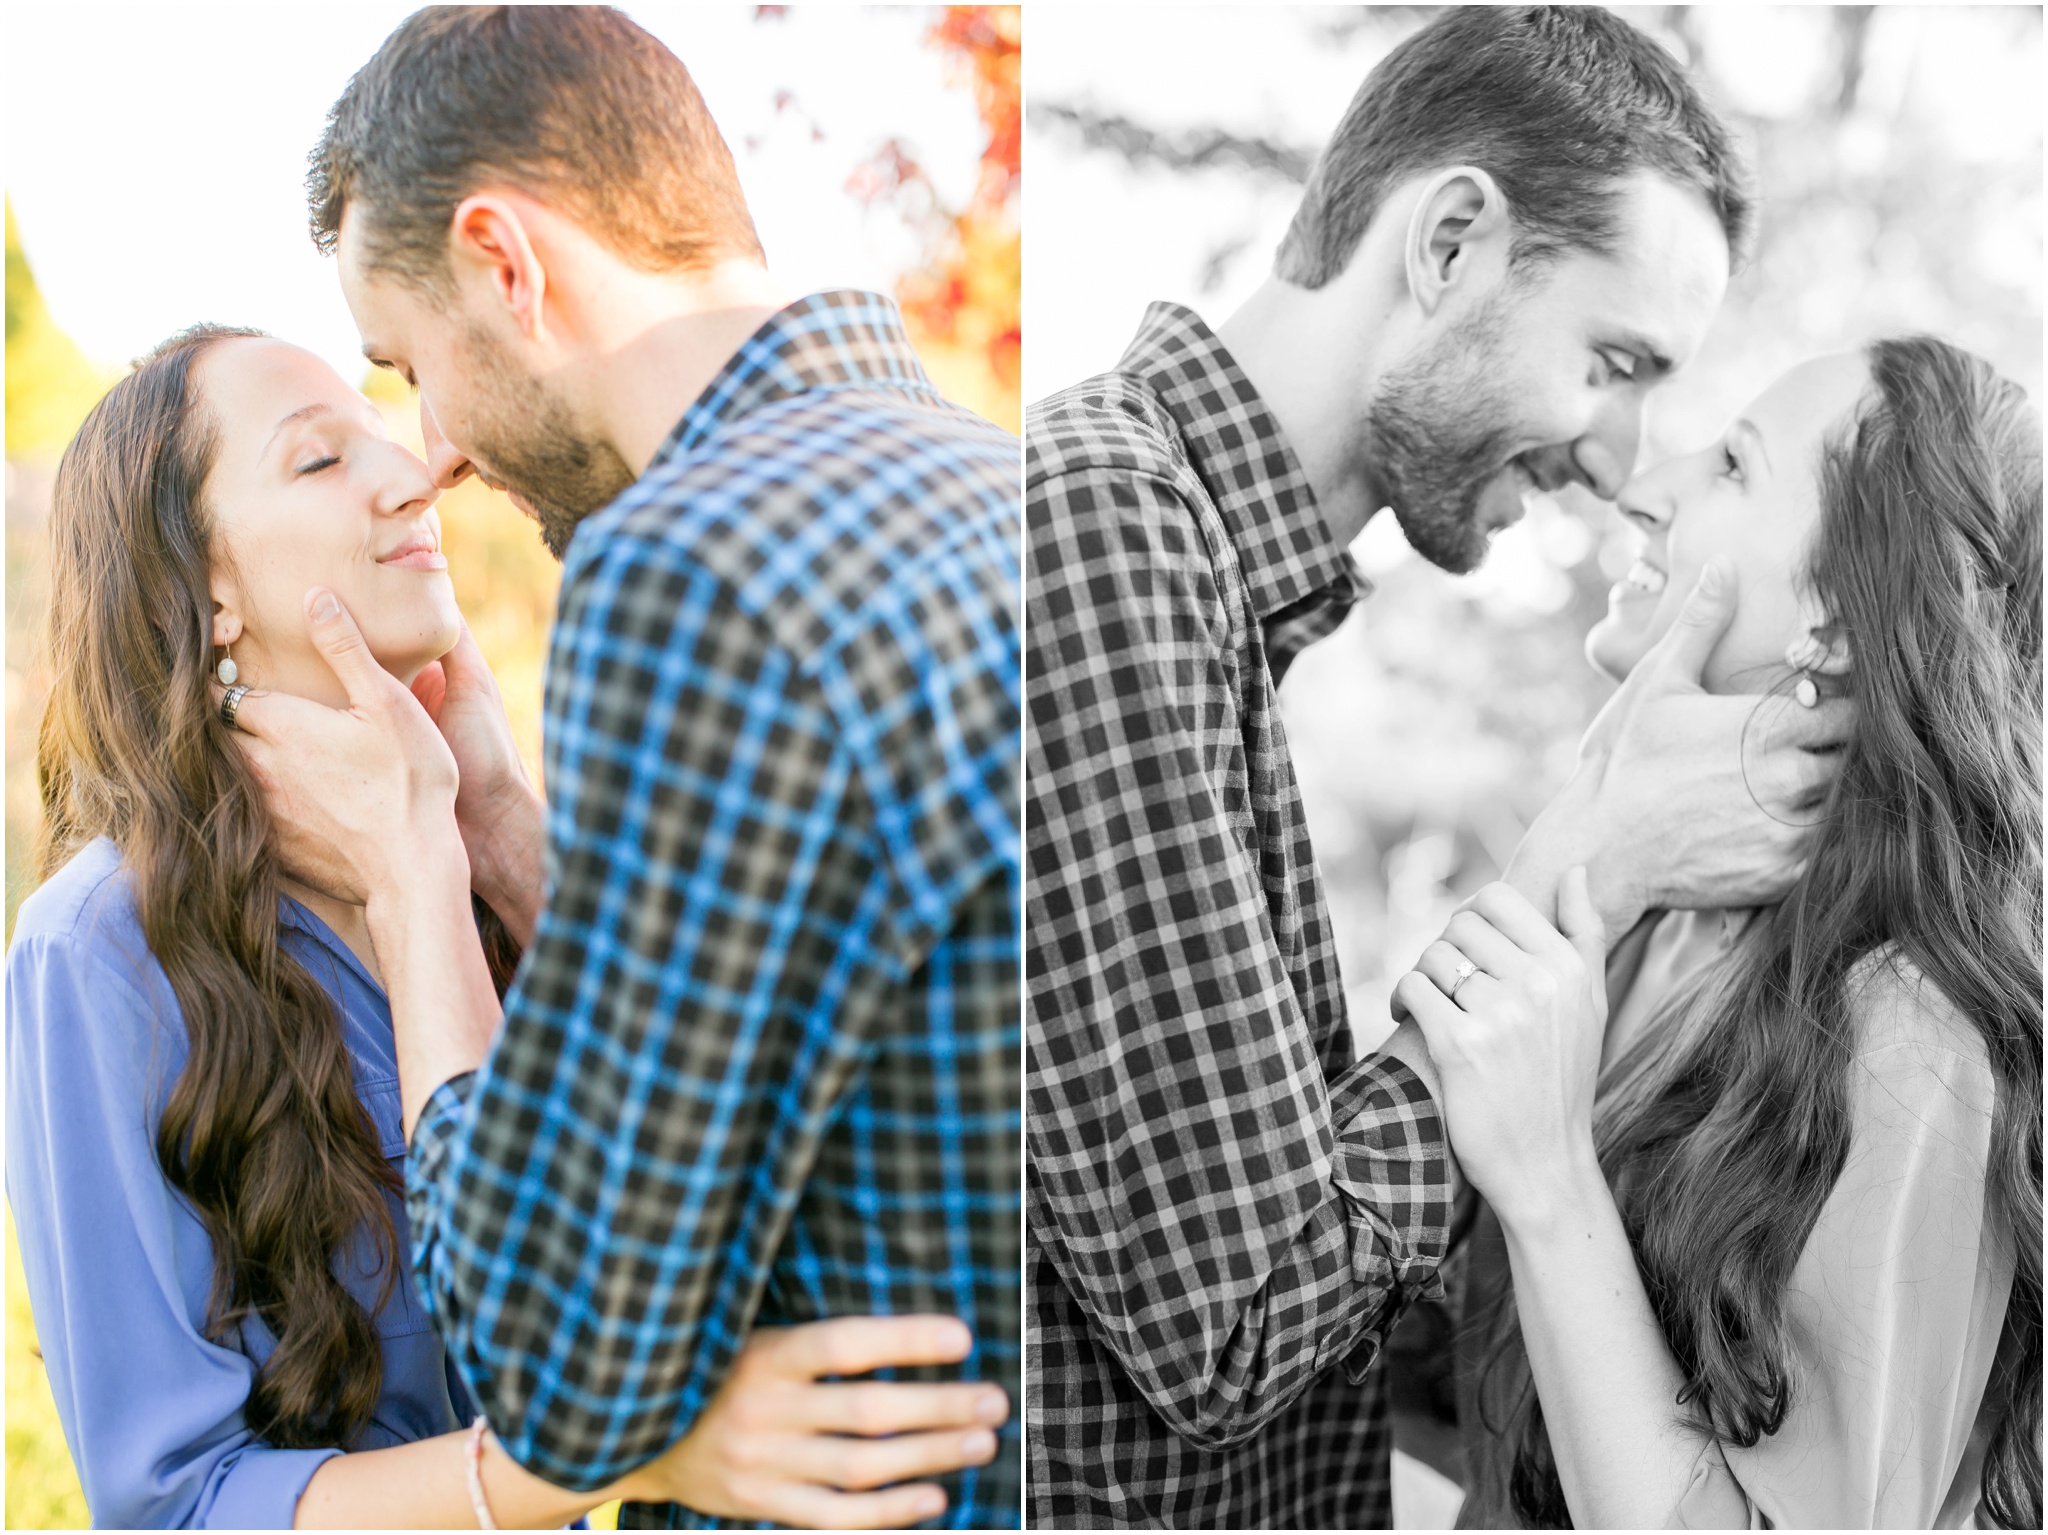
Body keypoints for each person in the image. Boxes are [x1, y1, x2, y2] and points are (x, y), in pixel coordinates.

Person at [1023, 7, 1852, 1527]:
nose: (1619, 460)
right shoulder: (1105, 535)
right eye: (1613, 362)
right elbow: (1239, 1316)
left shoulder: (1202, 582)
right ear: (1453, 239)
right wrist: (1583, 868)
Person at [221, 8, 1023, 1526]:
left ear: (504, 261)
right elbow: (798, 1000)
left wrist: (416, 877)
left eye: (410, 363)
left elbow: (561, 1368)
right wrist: (512, 829)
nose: (437, 447)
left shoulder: (689, 567)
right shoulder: (999, 485)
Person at [8, 325, 1009, 1529]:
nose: (408, 474)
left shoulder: (477, 856)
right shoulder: (97, 948)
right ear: (206, 586)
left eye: (387, 436)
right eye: (320, 462)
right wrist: (607, 1456)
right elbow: (173, 1503)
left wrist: (490, 831)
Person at [1397, 338, 2041, 1530]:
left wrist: (1547, 1180)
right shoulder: (1664, 920)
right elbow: (1453, 1380)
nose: (1644, 484)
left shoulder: (1914, 1034)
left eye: (1733, 467)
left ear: (1838, 622)